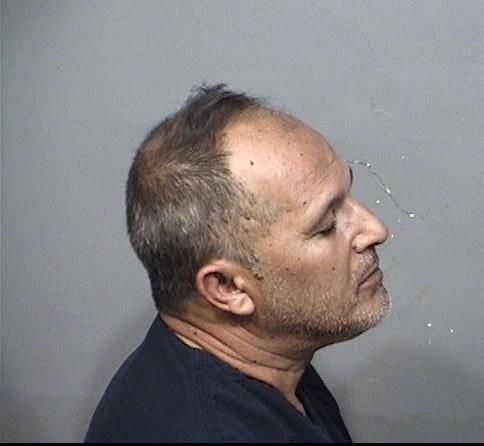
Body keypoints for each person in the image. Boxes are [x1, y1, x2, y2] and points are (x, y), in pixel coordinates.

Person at [85, 84, 389, 443]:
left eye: (348, 195)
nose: (376, 229)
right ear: (227, 288)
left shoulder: (269, 364)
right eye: (326, 226)